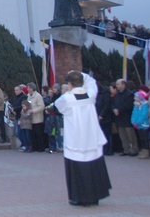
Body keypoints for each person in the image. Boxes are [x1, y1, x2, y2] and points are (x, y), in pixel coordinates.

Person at [54, 71, 111, 207]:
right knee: (94, 167)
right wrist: (79, 73)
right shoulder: (90, 95)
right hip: (91, 138)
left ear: (69, 84)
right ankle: (95, 196)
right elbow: (91, 81)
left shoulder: (66, 98)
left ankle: (81, 198)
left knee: (78, 170)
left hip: (76, 140)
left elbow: (58, 106)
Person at [112, 79, 138, 156]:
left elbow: (129, 105)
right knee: (122, 135)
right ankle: (126, 149)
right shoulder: (116, 95)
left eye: (118, 84)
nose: (116, 86)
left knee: (130, 135)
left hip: (127, 117)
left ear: (123, 85)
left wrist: (119, 110)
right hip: (119, 118)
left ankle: (134, 149)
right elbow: (113, 103)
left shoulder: (129, 94)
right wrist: (114, 109)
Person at [27, 83, 46, 152]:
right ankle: (35, 147)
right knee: (33, 134)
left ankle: (41, 147)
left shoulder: (38, 96)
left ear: (32, 88)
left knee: (38, 134)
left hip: (38, 118)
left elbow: (42, 106)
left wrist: (33, 110)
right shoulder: (28, 96)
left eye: (28, 88)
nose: (27, 89)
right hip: (31, 118)